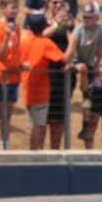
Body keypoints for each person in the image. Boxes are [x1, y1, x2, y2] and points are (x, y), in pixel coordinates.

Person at [20, 13, 65, 150]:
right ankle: (36, 155)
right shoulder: (46, 43)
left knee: (35, 126)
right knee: (39, 126)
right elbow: (63, 59)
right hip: (40, 91)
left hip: (27, 89)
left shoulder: (24, 40)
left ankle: (34, 153)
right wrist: (72, 41)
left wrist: (56, 24)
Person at [64, 0, 102, 143]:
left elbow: (100, 50)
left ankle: (85, 127)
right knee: (82, 69)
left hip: (90, 65)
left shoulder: (99, 31)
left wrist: (98, 65)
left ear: (96, 18)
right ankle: (85, 91)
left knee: (88, 102)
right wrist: (67, 61)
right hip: (76, 62)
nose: (87, 20)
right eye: (85, 17)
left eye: (90, 17)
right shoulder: (79, 30)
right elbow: (71, 49)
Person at [0, 0, 23, 147]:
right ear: (3, 9)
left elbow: (17, 51)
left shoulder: (17, 28)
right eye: (12, 8)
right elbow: (1, 55)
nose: (15, 11)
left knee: (8, 114)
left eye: (16, 8)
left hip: (14, 77)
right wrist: (7, 36)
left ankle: (5, 144)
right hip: (0, 76)